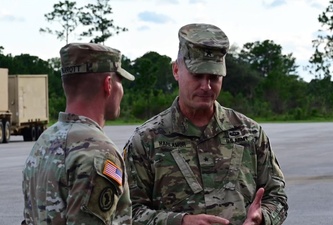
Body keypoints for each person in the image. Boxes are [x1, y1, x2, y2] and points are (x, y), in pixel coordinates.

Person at [123, 23, 288, 225]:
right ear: (176, 70)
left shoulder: (249, 134)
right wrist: (180, 222)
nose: (206, 86)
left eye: (214, 77)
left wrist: (262, 218)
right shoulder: (147, 139)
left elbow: (277, 198)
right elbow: (127, 212)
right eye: (197, 76)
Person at [22, 43, 135, 225]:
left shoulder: (44, 141)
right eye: (120, 81)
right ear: (108, 84)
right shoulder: (99, 152)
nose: (121, 89)